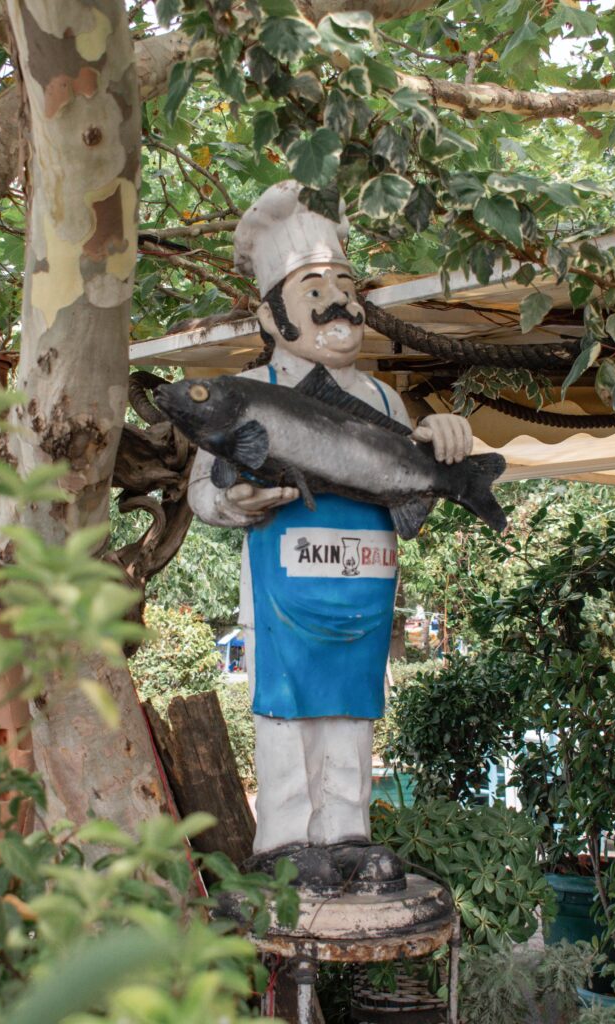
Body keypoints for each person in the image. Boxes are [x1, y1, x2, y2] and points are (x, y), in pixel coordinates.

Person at [188, 180, 472, 891]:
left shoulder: (382, 397)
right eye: (313, 288)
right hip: (283, 584)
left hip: (365, 582)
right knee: (284, 703)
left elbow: (410, 487)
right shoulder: (246, 390)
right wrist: (236, 501)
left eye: (345, 285)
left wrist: (440, 441)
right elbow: (200, 492)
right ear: (269, 312)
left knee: (353, 702)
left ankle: (347, 829)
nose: (338, 303)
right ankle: (285, 837)